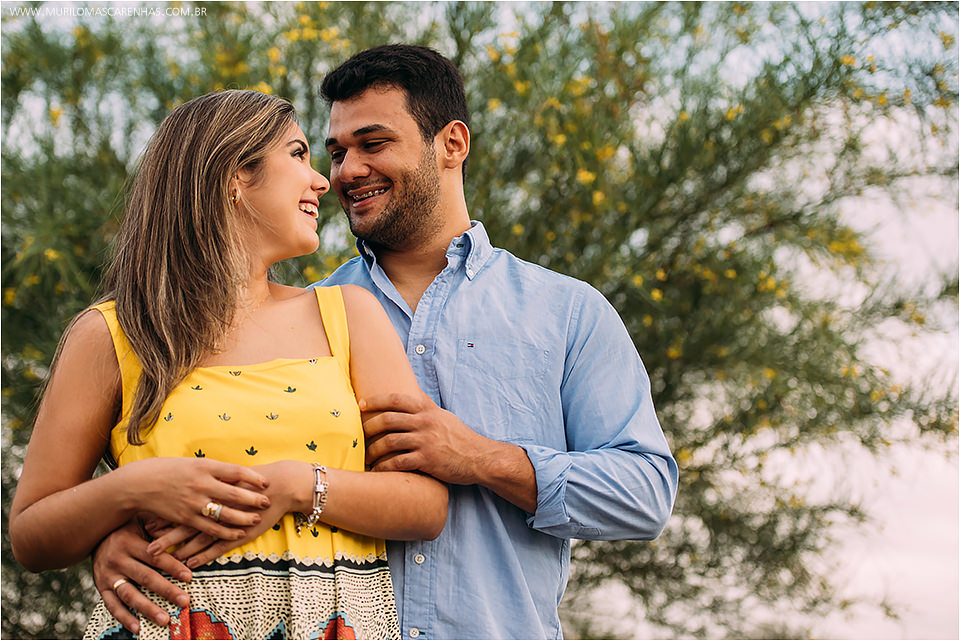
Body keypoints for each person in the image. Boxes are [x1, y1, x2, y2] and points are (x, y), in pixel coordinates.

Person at [92, 46, 679, 639]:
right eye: (336, 152)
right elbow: (217, 452)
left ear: (452, 144)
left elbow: (646, 494)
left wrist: (483, 459)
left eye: (373, 145)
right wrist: (119, 530)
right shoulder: (305, 321)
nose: (346, 172)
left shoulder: (566, 312)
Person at [8, 89, 448, 640]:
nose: (322, 181)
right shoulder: (112, 334)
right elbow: (30, 535)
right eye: (297, 155)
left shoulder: (348, 315)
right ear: (233, 177)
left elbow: (426, 504)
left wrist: (293, 486)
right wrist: (132, 490)